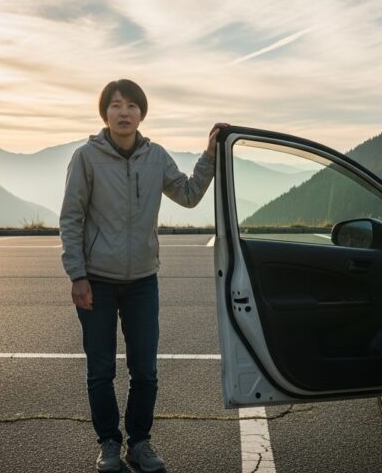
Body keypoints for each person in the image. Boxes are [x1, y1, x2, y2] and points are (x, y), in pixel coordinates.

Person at [60, 78, 226, 472]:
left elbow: (187, 195)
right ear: (105, 113)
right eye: (116, 105)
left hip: (142, 282)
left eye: (132, 105)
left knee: (145, 370)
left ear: (141, 113)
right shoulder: (86, 157)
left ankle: (139, 442)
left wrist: (209, 156)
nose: (124, 112)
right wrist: (77, 275)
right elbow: (70, 218)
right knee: (100, 370)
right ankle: (109, 445)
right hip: (96, 280)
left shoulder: (156, 157)